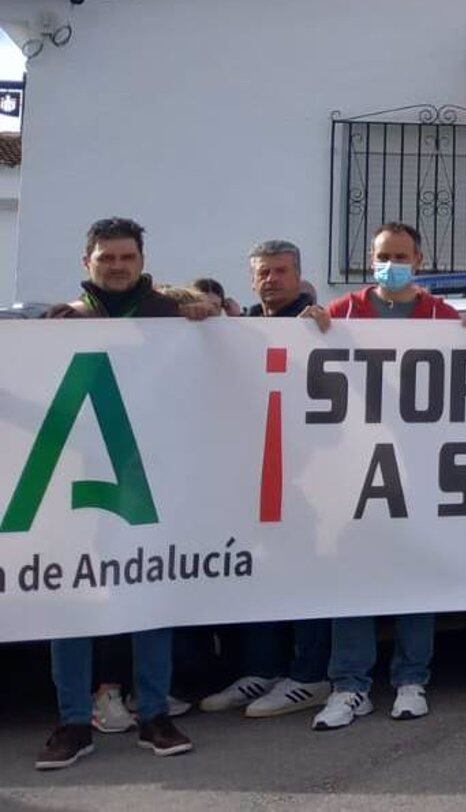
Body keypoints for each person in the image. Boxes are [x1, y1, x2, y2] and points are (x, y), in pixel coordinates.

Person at [36, 218, 201, 770]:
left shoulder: (173, 317)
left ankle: (153, 713)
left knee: (151, 595)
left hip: (151, 482)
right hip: (73, 487)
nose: (116, 265)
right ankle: (73, 723)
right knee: (72, 603)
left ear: (141, 259)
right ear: (88, 263)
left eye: (125, 256)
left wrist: (212, 314)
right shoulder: (60, 323)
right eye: (106, 257)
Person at [312, 222, 466, 731]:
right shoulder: (345, 312)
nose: (391, 262)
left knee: (414, 575)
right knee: (354, 576)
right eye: (383, 255)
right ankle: (350, 686)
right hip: (355, 469)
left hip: (421, 470)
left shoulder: (438, 315)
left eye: (401, 255)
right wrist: (306, 326)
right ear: (371, 258)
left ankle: (411, 680)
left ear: (419, 259)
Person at [198, 240, 335, 721]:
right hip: (253, 476)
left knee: (306, 575)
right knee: (257, 571)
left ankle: (310, 674)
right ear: (252, 278)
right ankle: (262, 668)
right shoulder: (241, 328)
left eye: (281, 271)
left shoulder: (322, 323)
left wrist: (328, 330)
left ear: (299, 274)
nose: (272, 280)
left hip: (313, 479)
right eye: (264, 273)